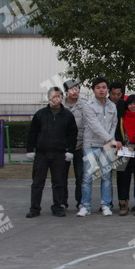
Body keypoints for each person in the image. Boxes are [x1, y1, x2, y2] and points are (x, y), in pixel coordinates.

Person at [26, 87, 78, 218]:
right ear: (49, 98)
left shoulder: (68, 115)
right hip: (41, 154)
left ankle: (58, 207)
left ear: (62, 98)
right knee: (37, 182)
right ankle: (34, 208)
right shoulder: (40, 114)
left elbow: (72, 135)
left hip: (59, 154)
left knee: (59, 182)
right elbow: (32, 133)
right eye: (53, 96)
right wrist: (30, 150)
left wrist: (70, 151)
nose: (56, 99)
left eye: (58, 96)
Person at [78, 77, 119, 217]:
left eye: (104, 87)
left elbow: (114, 124)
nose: (101, 90)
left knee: (106, 176)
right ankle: (85, 206)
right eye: (98, 87)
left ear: (107, 89)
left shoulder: (112, 106)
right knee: (87, 176)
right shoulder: (88, 105)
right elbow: (94, 125)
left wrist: (110, 140)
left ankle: (106, 205)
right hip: (91, 144)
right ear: (93, 90)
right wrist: (110, 139)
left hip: (107, 146)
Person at [62, 79, 86, 210]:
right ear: (66, 91)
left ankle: (81, 202)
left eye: (77, 88)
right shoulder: (60, 106)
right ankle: (62, 202)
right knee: (61, 176)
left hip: (80, 146)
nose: (75, 91)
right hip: (63, 147)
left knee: (80, 176)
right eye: (72, 89)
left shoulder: (85, 105)